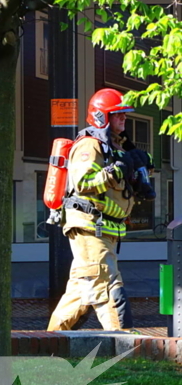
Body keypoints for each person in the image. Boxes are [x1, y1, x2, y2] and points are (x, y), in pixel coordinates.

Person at [48, 88, 154, 331]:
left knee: (80, 292)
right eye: (117, 114)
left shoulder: (116, 147)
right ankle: (124, 342)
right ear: (101, 116)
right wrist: (116, 171)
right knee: (107, 285)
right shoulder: (90, 145)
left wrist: (138, 170)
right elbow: (83, 182)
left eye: (124, 114)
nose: (123, 118)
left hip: (104, 229)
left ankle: (49, 342)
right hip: (89, 227)